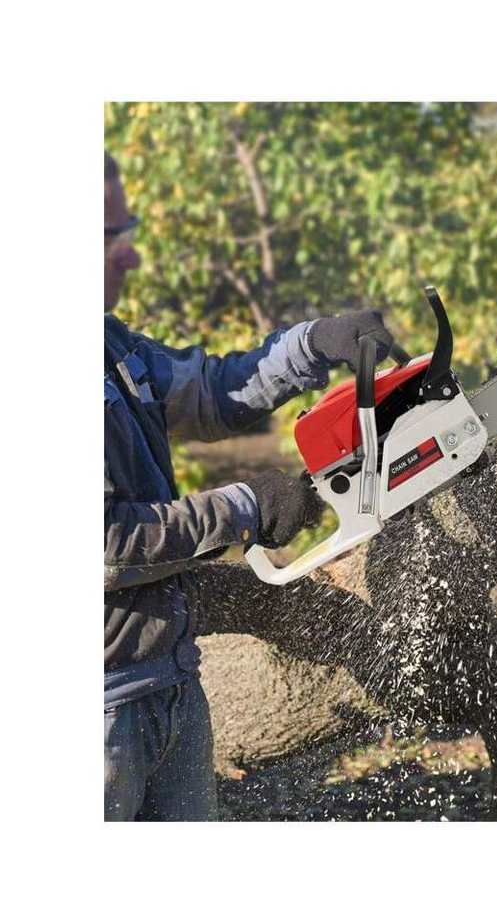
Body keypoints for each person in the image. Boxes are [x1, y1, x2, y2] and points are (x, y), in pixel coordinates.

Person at [104, 151, 394, 820]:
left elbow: (210, 392)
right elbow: (105, 546)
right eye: (112, 237)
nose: (132, 256)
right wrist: (243, 509)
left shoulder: (109, 347)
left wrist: (313, 344)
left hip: (169, 681)